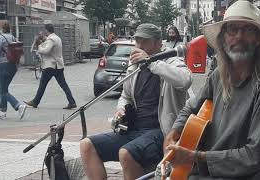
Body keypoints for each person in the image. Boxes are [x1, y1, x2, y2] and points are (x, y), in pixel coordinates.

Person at [163, 1, 260, 180]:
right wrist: (173, 132)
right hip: (205, 171)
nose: (239, 36)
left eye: (248, 29)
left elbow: (254, 156)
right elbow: (191, 108)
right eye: (232, 29)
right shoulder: (217, 76)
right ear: (222, 38)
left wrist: (196, 157)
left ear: (258, 39)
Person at [80, 23, 192, 180]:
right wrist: (120, 109)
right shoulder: (135, 67)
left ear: (158, 43)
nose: (138, 46)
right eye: (137, 41)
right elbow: (125, 96)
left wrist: (151, 62)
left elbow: (185, 80)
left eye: (144, 41)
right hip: (134, 130)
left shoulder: (170, 61)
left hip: (162, 131)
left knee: (126, 153)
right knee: (86, 145)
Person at [24, 24, 76, 109]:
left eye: (44, 30)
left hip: (50, 65)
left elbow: (46, 51)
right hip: (58, 65)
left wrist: (39, 45)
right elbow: (50, 47)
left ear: (46, 30)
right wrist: (43, 41)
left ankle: (35, 102)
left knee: (42, 85)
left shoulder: (51, 39)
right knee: (64, 85)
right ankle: (72, 102)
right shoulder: (57, 38)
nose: (44, 32)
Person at [0, 21, 27, 120]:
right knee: (4, 89)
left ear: (1, 28)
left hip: (3, 65)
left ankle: (18, 106)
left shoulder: (1, 38)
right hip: (13, 66)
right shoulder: (13, 37)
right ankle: (2, 112)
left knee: (3, 90)